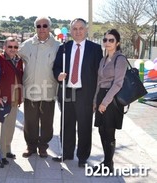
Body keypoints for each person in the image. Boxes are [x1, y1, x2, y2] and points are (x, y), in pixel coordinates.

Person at [52, 18, 103, 167]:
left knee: (84, 126)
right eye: (75, 29)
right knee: (66, 125)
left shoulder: (95, 49)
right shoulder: (64, 47)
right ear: (71, 31)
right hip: (67, 93)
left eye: (81, 28)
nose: (78, 31)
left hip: (85, 94)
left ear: (86, 30)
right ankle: (67, 154)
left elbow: (99, 75)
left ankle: (82, 157)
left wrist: (96, 98)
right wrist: (58, 75)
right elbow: (56, 67)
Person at [18, 16, 60, 158]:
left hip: (49, 90)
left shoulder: (58, 46)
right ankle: (31, 146)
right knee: (30, 121)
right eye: (39, 26)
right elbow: (16, 61)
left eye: (45, 25)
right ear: (35, 28)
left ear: (50, 27)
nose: (41, 28)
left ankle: (43, 146)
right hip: (30, 89)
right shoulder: (26, 45)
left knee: (47, 122)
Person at [92, 29, 128, 174]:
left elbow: (118, 84)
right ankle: (107, 162)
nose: (107, 42)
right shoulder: (103, 59)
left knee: (109, 131)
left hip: (111, 100)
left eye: (111, 40)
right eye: (105, 40)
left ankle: (108, 164)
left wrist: (104, 103)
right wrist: (96, 100)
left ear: (117, 43)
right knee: (101, 130)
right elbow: (99, 82)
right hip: (101, 95)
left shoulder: (121, 59)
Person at [0, 37, 23, 164]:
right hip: (1, 100)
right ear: (4, 47)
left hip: (14, 100)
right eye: (10, 46)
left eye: (15, 47)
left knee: (10, 128)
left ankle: (7, 149)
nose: (12, 49)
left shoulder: (19, 61)